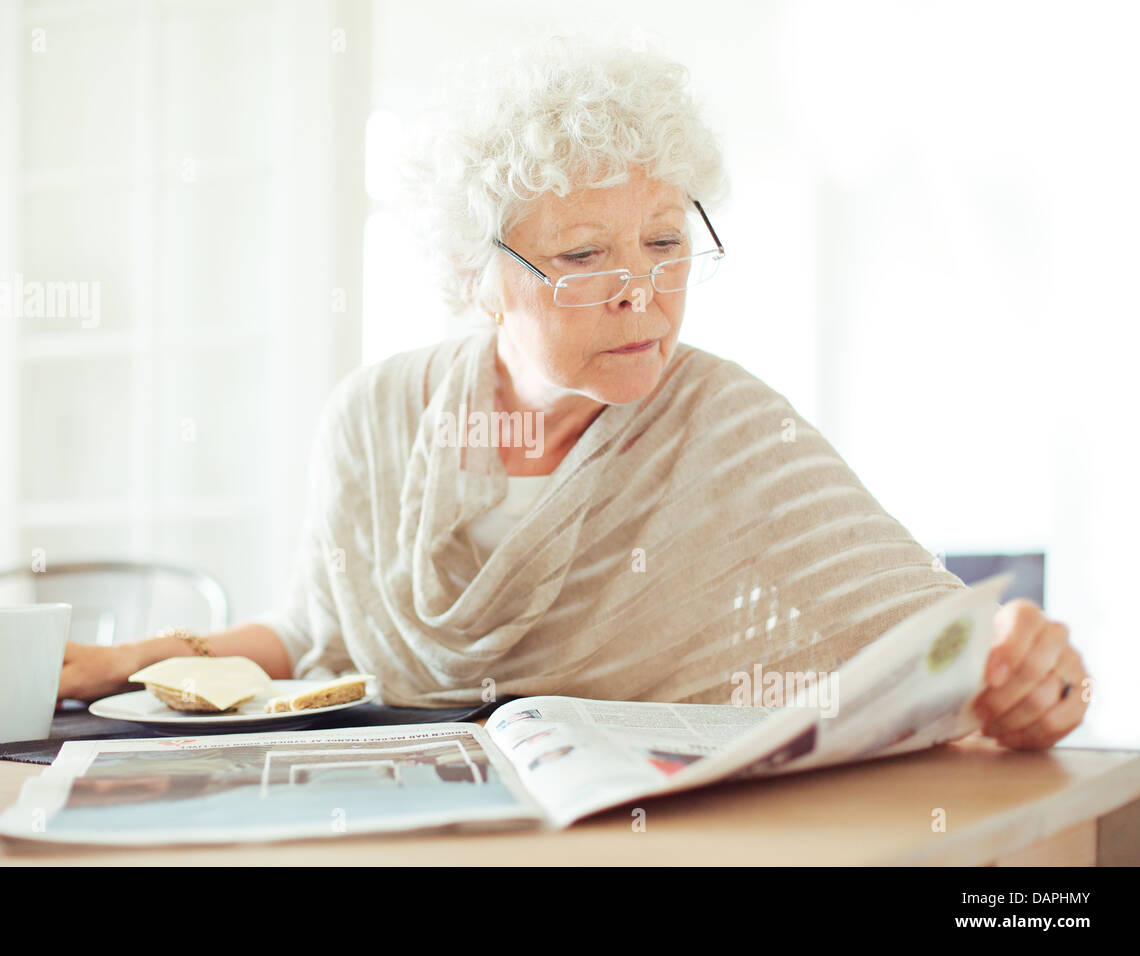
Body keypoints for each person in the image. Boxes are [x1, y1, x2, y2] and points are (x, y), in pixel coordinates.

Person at [60, 35, 1088, 750]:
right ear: (477, 271)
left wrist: (1025, 675)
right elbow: (319, 636)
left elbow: (938, 644)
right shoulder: (374, 417)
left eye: (666, 243)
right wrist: (136, 658)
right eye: (585, 253)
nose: (643, 290)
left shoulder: (733, 430)